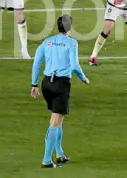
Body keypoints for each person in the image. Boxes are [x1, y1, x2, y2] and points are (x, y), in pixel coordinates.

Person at [30, 15, 90, 168]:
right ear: (69, 27)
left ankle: (60, 153)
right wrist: (84, 78)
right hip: (60, 84)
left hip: (46, 84)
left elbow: (37, 62)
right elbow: (75, 65)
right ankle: (46, 160)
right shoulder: (71, 42)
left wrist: (34, 84)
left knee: (58, 118)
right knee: (55, 122)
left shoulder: (47, 41)